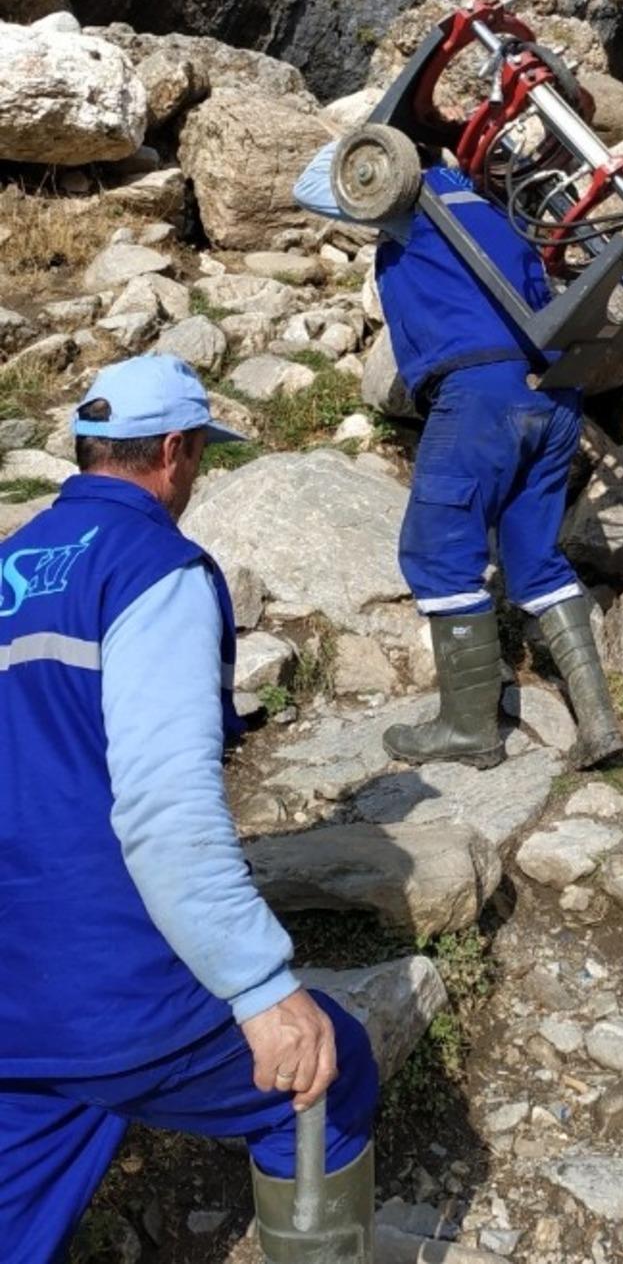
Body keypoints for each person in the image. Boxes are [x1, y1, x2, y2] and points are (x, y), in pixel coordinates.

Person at [0, 354, 378, 1263]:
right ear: (173, 451)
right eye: (201, 452)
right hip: (116, 981)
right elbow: (165, 806)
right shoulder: (154, 568)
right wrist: (259, 990)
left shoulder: (9, 562)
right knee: (330, 1070)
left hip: (11, 988)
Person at [294, 139, 623, 772]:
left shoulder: (413, 202)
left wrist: (374, 139)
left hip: (479, 396)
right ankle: (600, 724)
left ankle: (469, 729)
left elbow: (314, 184)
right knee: (533, 559)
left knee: (437, 554)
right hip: (552, 393)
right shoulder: (495, 203)